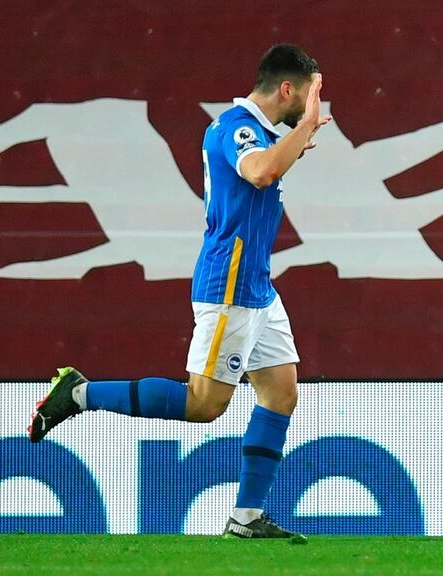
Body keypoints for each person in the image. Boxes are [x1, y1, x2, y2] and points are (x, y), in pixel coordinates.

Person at [28, 43, 332, 542]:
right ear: (286, 89)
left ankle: (246, 518)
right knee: (203, 404)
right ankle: (80, 394)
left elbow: (261, 174)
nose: (312, 104)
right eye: (310, 92)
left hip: (257, 285)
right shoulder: (238, 128)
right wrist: (302, 131)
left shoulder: (257, 132)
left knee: (281, 392)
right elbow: (262, 172)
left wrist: (295, 140)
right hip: (230, 285)